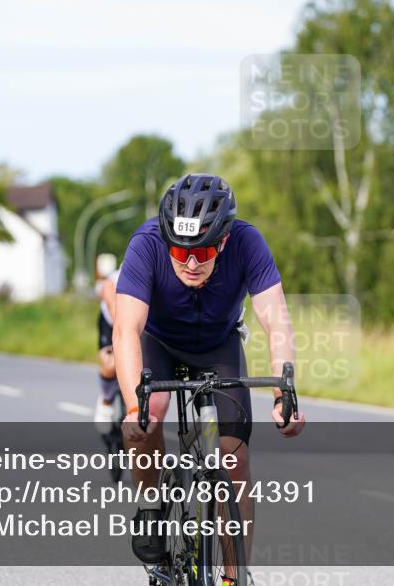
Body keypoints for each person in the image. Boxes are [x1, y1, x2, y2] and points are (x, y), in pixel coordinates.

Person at [114, 173, 306, 580]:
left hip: (219, 345)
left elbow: (277, 322)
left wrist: (283, 396)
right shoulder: (145, 244)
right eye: (181, 254)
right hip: (159, 343)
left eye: (203, 251)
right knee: (152, 407)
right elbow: (126, 329)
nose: (193, 263)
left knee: (234, 458)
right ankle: (152, 505)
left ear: (223, 240)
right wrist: (134, 407)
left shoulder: (248, 242)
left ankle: (235, 575)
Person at [93, 253, 120, 431]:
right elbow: (112, 308)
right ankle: (106, 400)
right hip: (111, 322)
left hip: (139, 323)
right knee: (111, 365)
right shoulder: (112, 281)